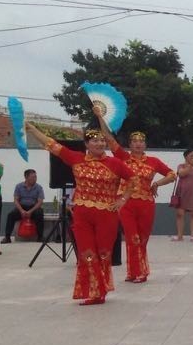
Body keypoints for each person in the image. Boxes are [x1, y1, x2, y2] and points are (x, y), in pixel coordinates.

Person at [27, 125, 132, 304]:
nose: (99, 143)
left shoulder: (115, 163)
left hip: (107, 215)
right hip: (82, 215)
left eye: (101, 140)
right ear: (86, 144)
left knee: (103, 253)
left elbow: (133, 179)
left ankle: (101, 289)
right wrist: (31, 129)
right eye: (95, 140)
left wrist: (122, 199)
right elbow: (52, 144)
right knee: (87, 253)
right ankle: (94, 291)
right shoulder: (76, 159)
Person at [100, 123, 175, 283]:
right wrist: (100, 117)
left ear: (145, 144)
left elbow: (172, 174)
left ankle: (136, 271)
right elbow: (108, 138)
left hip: (146, 203)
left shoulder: (153, 161)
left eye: (141, 141)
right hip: (126, 203)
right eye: (134, 141)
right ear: (130, 144)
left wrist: (157, 184)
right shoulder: (123, 157)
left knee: (142, 239)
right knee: (132, 238)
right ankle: (138, 272)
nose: (138, 143)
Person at [3, 168, 45, 243]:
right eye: (33, 177)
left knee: (39, 213)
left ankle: (40, 237)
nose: (35, 179)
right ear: (26, 177)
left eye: (36, 177)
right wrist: (21, 210)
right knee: (11, 215)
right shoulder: (19, 186)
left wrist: (30, 212)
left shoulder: (39, 187)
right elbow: (16, 200)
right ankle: (7, 237)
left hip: (34, 208)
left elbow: (40, 202)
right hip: (22, 207)